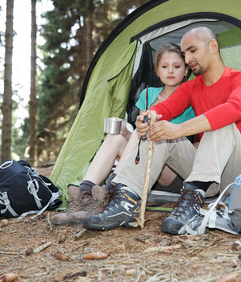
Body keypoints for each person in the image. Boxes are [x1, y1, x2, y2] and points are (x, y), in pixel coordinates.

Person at [83, 26, 241, 234]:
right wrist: (146, 118)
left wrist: (178, 129)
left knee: (221, 123)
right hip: (210, 178)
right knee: (159, 130)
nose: (187, 59)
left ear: (213, 46)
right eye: (185, 53)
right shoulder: (191, 87)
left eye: (192, 50)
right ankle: (125, 202)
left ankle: (191, 203)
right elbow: (164, 108)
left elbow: (234, 109)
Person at [52, 43, 195, 225]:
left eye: (177, 66)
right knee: (116, 137)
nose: (171, 71)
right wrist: (126, 133)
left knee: (145, 130)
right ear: (157, 71)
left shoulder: (190, 98)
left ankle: (110, 193)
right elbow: (138, 142)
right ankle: (83, 197)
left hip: (171, 172)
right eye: (164, 66)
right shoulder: (147, 94)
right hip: (141, 164)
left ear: (185, 71)